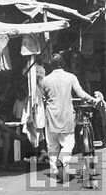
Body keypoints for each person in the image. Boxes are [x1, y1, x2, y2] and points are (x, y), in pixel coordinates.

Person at [41, 53, 97, 183]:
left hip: (51, 117)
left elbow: (44, 99)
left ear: (51, 65)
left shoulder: (45, 80)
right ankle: (63, 159)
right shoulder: (71, 77)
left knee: (52, 146)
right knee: (68, 144)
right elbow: (81, 94)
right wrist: (93, 100)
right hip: (66, 116)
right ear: (63, 63)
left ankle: (55, 171)